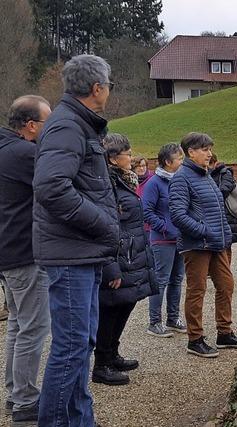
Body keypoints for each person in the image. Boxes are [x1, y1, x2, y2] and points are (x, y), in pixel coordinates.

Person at [33, 54, 119, 426]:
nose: (110, 92)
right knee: (70, 349)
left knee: (80, 346)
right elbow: (51, 187)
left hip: (81, 253)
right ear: (98, 88)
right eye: (110, 86)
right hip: (70, 255)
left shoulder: (78, 124)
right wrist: (103, 223)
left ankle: (82, 421)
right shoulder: (68, 126)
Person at [169, 132, 237, 358]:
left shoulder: (206, 175)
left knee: (226, 285)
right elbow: (177, 214)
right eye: (204, 149)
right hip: (197, 245)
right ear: (191, 152)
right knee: (197, 290)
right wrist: (203, 231)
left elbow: (218, 210)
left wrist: (224, 236)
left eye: (210, 149)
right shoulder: (181, 178)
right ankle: (195, 339)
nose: (209, 153)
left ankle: (224, 333)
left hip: (217, 244)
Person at [0, 95, 52, 425]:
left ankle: (14, 393)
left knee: (18, 327)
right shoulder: (24, 153)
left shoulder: (6, 149)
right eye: (48, 123)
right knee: (33, 329)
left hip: (8, 253)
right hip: (23, 254)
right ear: (31, 126)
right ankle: (25, 401)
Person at [93, 134, 157, 386]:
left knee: (126, 303)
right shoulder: (105, 185)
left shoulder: (124, 181)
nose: (131, 158)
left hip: (132, 254)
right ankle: (101, 364)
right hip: (117, 257)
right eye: (127, 154)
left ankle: (112, 353)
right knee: (110, 309)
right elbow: (103, 227)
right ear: (111, 158)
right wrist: (110, 266)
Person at [143, 143, 187, 338]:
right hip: (162, 241)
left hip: (180, 239)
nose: (182, 162)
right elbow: (146, 212)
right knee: (161, 280)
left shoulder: (180, 180)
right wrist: (165, 227)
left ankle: (173, 317)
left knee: (177, 279)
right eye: (179, 159)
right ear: (168, 162)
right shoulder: (154, 183)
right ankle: (154, 322)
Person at [210, 153, 237, 252]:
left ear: (215, 162)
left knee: (226, 247)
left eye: (210, 163)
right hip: (214, 215)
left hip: (226, 213)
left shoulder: (225, 173)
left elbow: (224, 190)